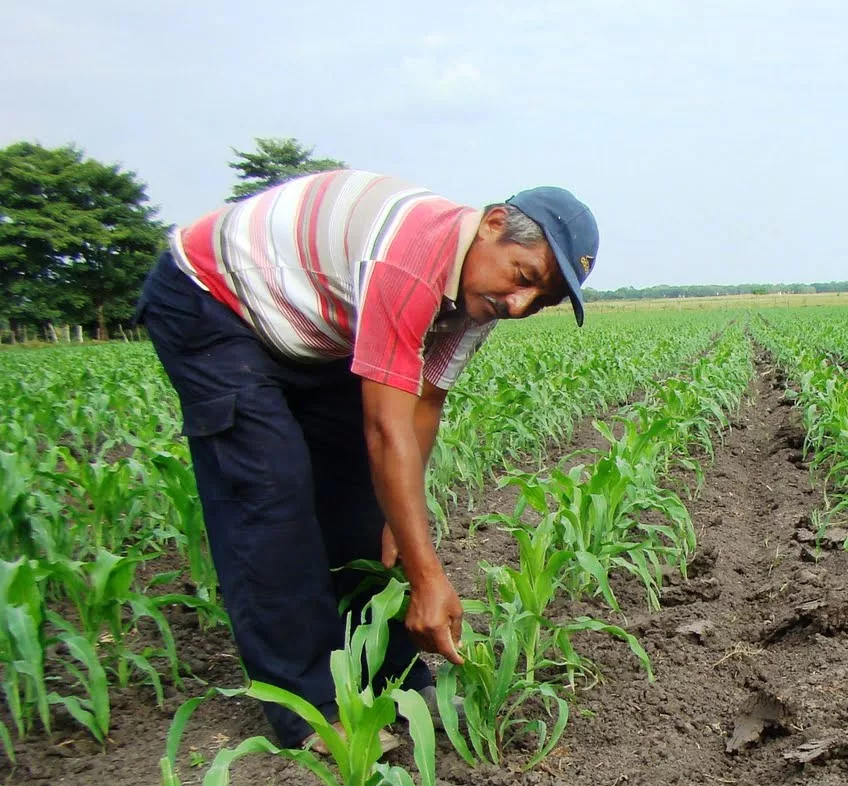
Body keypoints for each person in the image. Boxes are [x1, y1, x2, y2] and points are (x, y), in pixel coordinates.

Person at [135, 170, 599, 749]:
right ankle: (307, 706)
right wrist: (428, 577)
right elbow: (386, 428)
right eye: (524, 277)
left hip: (313, 329)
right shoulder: (411, 258)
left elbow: (424, 403)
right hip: (214, 305)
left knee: (360, 503)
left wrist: (397, 525)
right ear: (493, 225)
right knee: (270, 497)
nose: (519, 303)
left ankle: (388, 669)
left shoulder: (478, 303)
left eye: (541, 300)